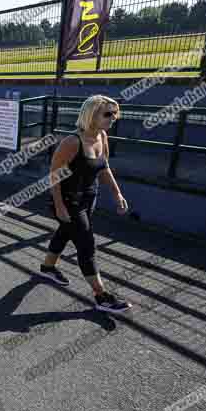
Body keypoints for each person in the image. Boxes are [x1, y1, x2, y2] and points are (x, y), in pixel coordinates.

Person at [40, 94, 132, 313]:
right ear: (91, 115)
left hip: (89, 198)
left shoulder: (102, 137)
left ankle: (47, 267)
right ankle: (101, 296)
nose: (113, 118)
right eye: (108, 114)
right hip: (68, 200)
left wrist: (117, 194)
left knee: (65, 232)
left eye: (115, 113)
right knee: (86, 245)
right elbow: (54, 176)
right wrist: (60, 207)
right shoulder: (72, 142)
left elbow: (104, 167)